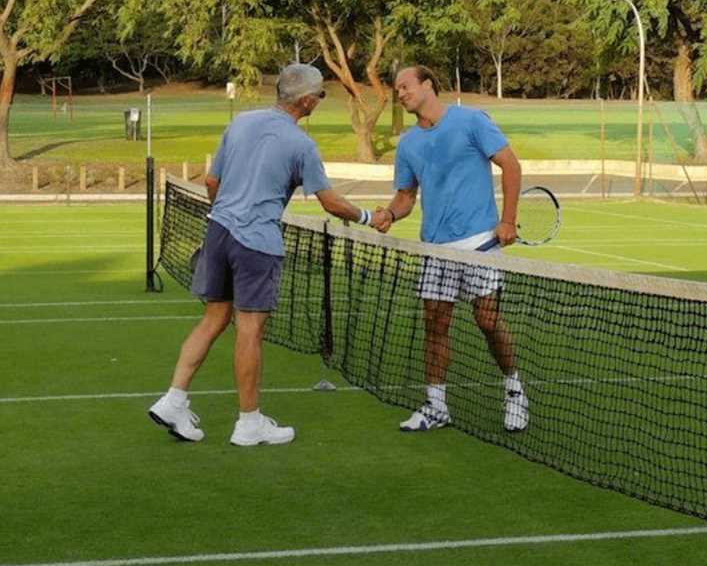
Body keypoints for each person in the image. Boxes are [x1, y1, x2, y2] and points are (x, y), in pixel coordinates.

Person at [148, 64, 379, 446]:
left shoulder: (241, 122)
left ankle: (174, 399)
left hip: (218, 232)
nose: (320, 102)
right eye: (319, 96)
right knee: (250, 330)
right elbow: (331, 203)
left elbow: (211, 182)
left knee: (213, 319)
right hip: (256, 243)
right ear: (305, 100)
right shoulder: (302, 145)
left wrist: (227, 217)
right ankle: (249, 423)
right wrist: (371, 217)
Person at [371, 65, 528, 433]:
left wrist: (508, 220)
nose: (401, 93)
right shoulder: (408, 144)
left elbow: (511, 165)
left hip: (479, 242)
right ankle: (436, 405)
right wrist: (391, 214)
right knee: (435, 324)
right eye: (397, 89)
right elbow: (406, 196)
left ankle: (514, 391)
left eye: (406, 86)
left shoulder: (472, 121)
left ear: (429, 85)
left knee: (487, 321)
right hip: (437, 249)